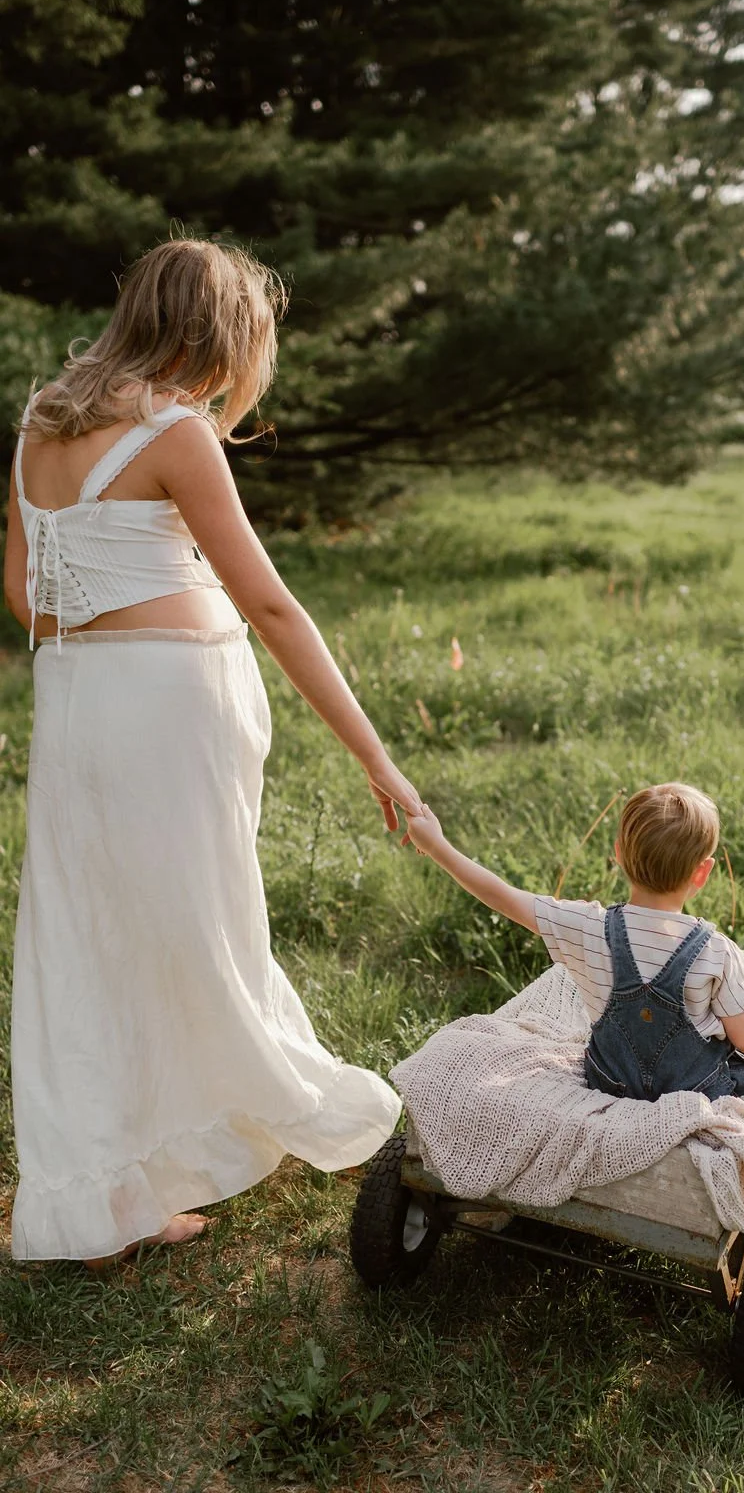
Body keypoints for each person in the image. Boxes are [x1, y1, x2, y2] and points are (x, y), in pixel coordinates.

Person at [3, 238, 423, 1267]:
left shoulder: (40, 419)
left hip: (73, 700)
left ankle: (101, 1193)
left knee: (91, 935)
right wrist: (379, 758)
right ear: (223, 334)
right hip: (167, 706)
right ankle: (264, 1109)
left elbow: (24, 593)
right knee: (200, 927)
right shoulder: (176, 429)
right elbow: (271, 604)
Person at [404, 782, 744, 1102]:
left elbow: (503, 895)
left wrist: (437, 845)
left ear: (618, 854)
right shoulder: (715, 950)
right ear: (702, 873)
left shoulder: (586, 927)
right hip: (696, 1088)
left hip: (610, 1082)